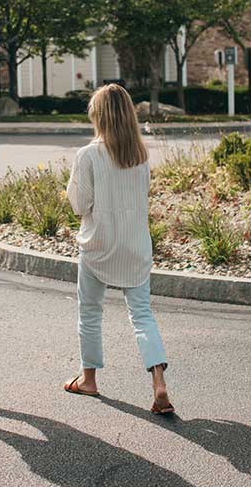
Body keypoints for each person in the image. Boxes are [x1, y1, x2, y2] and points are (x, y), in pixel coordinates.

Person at [64, 83, 174, 414]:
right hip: (135, 246)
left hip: (99, 245)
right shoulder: (141, 157)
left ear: (97, 117)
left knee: (90, 312)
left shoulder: (88, 155)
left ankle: (89, 380)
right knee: (142, 314)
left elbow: (79, 204)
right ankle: (158, 383)